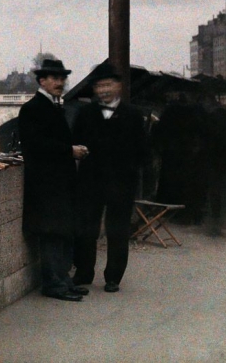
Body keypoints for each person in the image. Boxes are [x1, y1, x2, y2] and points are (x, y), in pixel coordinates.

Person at [72, 62, 149, 293]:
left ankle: (113, 277)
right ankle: (84, 272)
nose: (103, 90)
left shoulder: (134, 116)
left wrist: (131, 174)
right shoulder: (84, 113)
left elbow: (143, 151)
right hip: (90, 181)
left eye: (107, 85)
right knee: (86, 228)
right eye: (99, 86)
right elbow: (75, 141)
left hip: (122, 183)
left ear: (118, 86)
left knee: (118, 230)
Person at [19, 58, 89, 302]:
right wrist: (69, 151)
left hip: (57, 184)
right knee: (51, 235)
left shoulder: (51, 106)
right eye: (56, 79)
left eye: (62, 78)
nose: (61, 83)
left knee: (61, 233)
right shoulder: (32, 109)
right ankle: (53, 285)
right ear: (42, 81)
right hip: (46, 185)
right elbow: (35, 145)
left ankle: (63, 280)